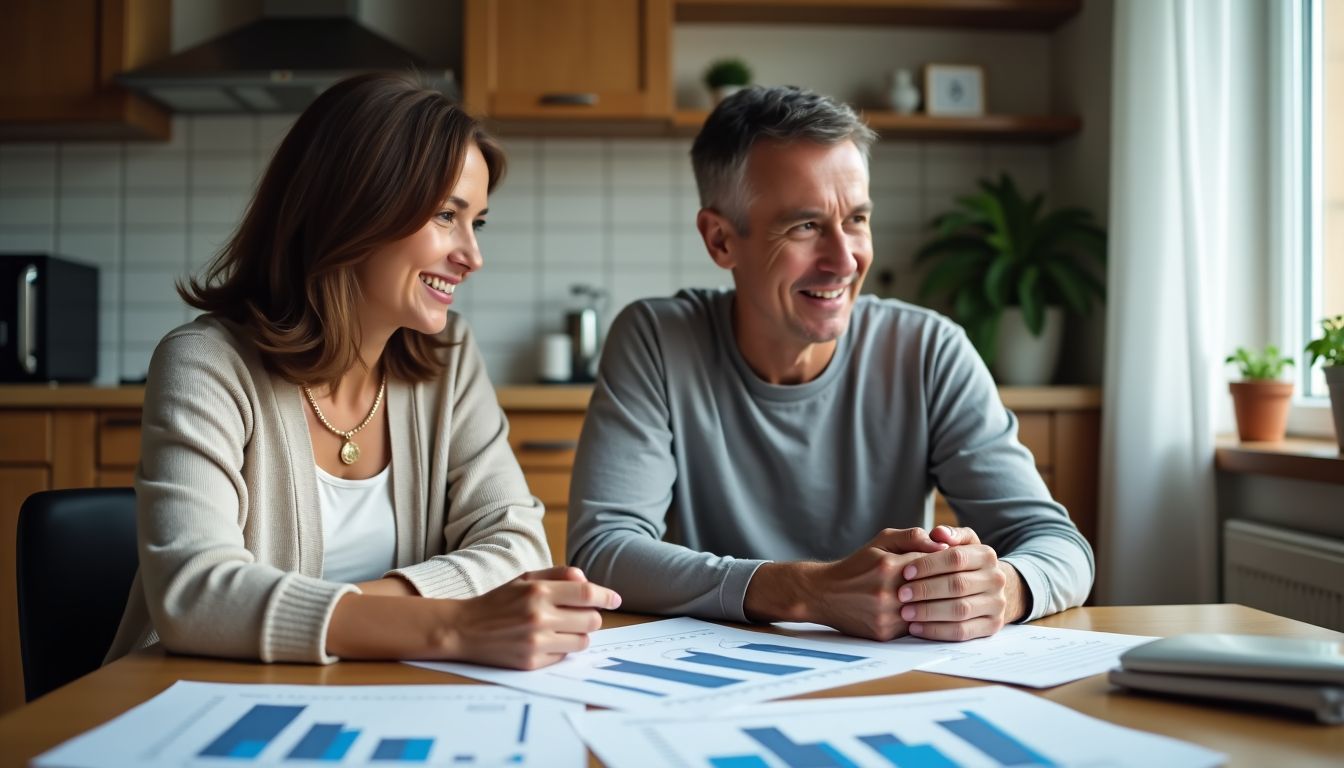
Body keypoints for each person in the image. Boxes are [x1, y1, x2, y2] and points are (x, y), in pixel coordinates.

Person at [106, 73, 619, 670]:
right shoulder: (206, 365)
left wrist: (376, 617)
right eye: (445, 216)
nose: (472, 256)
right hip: (193, 701)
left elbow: (519, 546)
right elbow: (196, 598)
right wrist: (449, 623)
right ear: (354, 209)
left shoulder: (448, 361)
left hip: (382, 696)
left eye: (476, 223)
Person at [567, 85, 1093, 642]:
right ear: (721, 240)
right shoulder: (657, 339)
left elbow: (1057, 543)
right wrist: (807, 590)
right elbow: (605, 549)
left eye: (858, 220)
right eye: (806, 226)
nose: (844, 261)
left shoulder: (929, 350)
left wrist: (1003, 588)